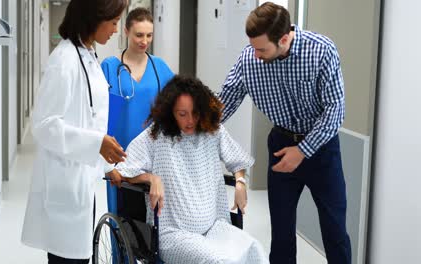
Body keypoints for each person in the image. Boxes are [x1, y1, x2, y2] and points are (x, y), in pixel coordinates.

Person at [218, 2, 351, 264]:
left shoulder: (321, 50)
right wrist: (180, 124)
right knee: (281, 233)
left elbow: (335, 110)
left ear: (284, 38)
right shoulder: (249, 59)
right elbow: (224, 103)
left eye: (261, 49)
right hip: (281, 145)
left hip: (321, 148)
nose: (254, 54)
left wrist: (303, 150)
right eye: (253, 47)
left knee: (334, 230)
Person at [110, 75, 269, 264]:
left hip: (214, 227)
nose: (190, 121)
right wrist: (152, 178)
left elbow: (237, 160)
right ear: (170, 112)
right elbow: (120, 171)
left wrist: (241, 183)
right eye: (182, 114)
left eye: (195, 113)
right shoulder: (155, 136)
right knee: (220, 261)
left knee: (255, 250)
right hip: (174, 234)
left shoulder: (213, 131)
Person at [21, 0, 128, 263]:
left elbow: (89, 118)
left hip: (80, 183)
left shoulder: (87, 53)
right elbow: (44, 125)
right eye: (113, 22)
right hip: (64, 185)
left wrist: (105, 165)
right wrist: (96, 143)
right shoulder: (65, 60)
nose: (116, 30)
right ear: (94, 18)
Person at [100, 7, 174, 216]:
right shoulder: (110, 67)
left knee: (154, 219)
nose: (144, 41)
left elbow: (177, 102)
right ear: (126, 32)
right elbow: (100, 115)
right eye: (139, 35)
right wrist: (106, 162)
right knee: (123, 216)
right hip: (120, 156)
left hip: (153, 155)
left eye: (149, 35)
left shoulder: (159, 67)